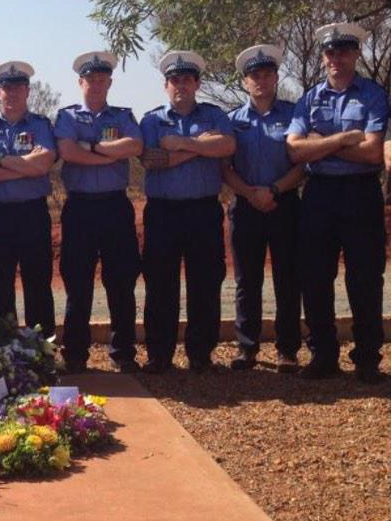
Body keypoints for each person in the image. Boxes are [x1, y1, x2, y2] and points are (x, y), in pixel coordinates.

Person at [286, 23, 388, 384]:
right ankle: (323, 355)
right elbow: (295, 149)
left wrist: (321, 141)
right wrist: (346, 138)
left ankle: (366, 359)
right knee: (314, 277)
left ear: (356, 54)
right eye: (330, 52)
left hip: (361, 194)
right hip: (319, 194)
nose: (336, 58)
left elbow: (373, 151)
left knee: (365, 278)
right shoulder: (310, 98)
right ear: (323, 56)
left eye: (343, 51)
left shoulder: (373, 96)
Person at [139, 51, 236, 374]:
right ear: (166, 85)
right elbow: (151, 160)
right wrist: (199, 146)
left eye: (186, 79)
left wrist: (180, 144)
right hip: (163, 212)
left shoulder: (215, 115)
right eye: (174, 80)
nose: (180, 85)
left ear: (197, 83)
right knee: (160, 285)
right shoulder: (152, 120)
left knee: (205, 283)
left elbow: (227, 147)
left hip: (203, 211)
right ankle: (159, 354)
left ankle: (200, 353)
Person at [54, 52, 143, 374]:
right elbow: (67, 151)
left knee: (121, 283)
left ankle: (124, 353)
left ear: (109, 82)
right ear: (81, 82)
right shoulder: (67, 116)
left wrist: (88, 148)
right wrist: (108, 154)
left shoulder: (122, 115)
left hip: (115, 206)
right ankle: (75, 354)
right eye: (89, 79)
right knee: (78, 284)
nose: (95, 84)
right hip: (79, 207)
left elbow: (134, 146)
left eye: (101, 79)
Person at [223, 44, 303, 372]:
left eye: (267, 74)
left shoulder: (295, 115)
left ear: (276, 77)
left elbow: (303, 163)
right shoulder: (232, 121)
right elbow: (225, 167)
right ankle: (247, 348)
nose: (261, 80)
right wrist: (250, 194)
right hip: (245, 207)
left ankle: (287, 350)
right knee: (247, 280)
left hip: (284, 204)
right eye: (255, 75)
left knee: (288, 278)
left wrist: (272, 190)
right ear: (245, 82)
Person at [0, 61, 56, 334]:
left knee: (38, 285)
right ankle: (6, 355)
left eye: (19, 87)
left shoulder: (41, 125)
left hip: (33, 214)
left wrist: (0, 160)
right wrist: (24, 167)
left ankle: (42, 352)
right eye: (7, 87)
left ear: (28, 91)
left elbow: (43, 165)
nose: (13, 92)